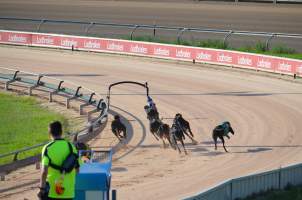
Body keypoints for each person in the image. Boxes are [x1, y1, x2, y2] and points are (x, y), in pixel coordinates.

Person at [38, 121, 79, 200]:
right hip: (68, 192)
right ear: (61, 132)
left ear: (49, 133)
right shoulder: (71, 147)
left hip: (52, 192)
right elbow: (77, 170)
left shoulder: (47, 148)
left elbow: (44, 172)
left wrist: (42, 189)